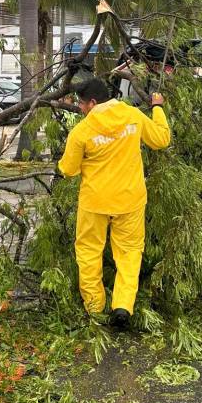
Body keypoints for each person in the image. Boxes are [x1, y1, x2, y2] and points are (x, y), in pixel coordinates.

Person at [57, 78, 171, 328]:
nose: (81, 109)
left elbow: (68, 169)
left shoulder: (82, 131)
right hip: (130, 199)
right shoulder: (132, 116)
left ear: (93, 103)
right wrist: (158, 107)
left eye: (82, 104)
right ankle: (122, 306)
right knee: (130, 253)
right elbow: (161, 139)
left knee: (88, 253)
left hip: (94, 202)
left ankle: (95, 308)